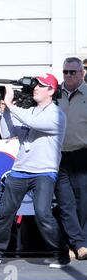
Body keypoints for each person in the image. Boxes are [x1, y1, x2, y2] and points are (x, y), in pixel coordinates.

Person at [0, 73, 70, 269]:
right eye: (35, 85)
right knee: (4, 213)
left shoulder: (56, 114)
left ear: (51, 91)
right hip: (20, 169)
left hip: (44, 171)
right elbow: (8, 133)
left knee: (43, 213)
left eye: (41, 85)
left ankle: (61, 254)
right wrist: (4, 110)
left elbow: (33, 123)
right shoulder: (29, 111)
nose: (35, 88)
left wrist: (11, 105)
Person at [54, 57, 87, 260]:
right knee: (65, 203)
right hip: (58, 155)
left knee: (82, 201)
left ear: (82, 73)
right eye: (65, 71)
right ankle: (78, 244)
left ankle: (80, 242)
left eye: (72, 72)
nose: (68, 75)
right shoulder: (55, 93)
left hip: (83, 154)